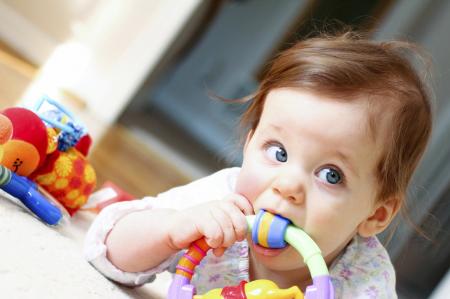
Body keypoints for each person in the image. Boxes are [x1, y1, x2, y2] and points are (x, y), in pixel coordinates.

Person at [84, 31, 432, 298]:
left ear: (376, 215)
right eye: (278, 152)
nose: (287, 186)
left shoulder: (365, 279)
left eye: (331, 175)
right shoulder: (218, 204)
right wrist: (171, 230)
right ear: (249, 144)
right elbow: (107, 251)